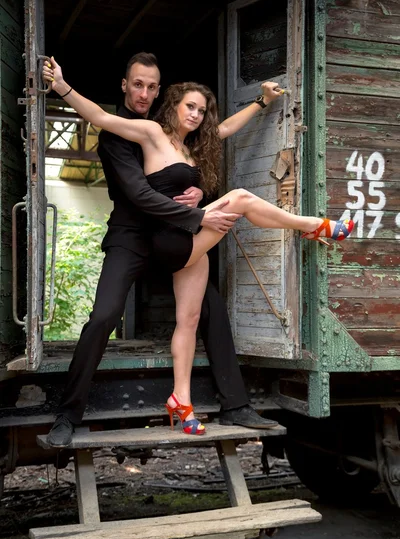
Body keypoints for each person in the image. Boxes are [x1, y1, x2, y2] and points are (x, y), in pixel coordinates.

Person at [43, 57, 354, 437]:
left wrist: (261, 102)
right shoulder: (135, 134)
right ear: (125, 85)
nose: (145, 93)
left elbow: (221, 129)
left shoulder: (189, 143)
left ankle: (217, 404)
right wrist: (61, 86)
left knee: (206, 312)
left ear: (161, 91)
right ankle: (68, 416)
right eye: (138, 85)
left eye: (152, 87)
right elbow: (136, 186)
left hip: (177, 235)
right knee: (104, 316)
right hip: (135, 236)